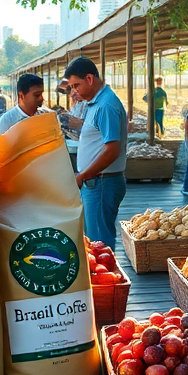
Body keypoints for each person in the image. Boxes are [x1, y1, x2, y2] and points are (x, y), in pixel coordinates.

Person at [63, 57, 128, 247]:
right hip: (96, 181)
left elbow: (112, 150)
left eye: (76, 85)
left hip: (101, 183)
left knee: (100, 244)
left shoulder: (106, 105)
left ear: (90, 79)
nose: (74, 91)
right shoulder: (95, 103)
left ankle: (107, 277)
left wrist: (83, 175)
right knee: (94, 240)